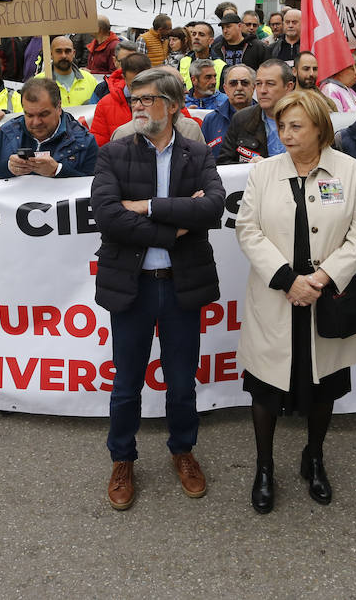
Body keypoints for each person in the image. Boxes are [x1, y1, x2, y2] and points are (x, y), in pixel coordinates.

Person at [90, 67, 227, 510]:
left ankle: (182, 451)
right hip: (132, 287)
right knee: (126, 383)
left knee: (182, 381)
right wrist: (172, 229)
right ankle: (122, 459)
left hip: (181, 286)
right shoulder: (114, 153)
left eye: (147, 100)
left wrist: (148, 207)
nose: (138, 107)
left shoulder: (196, 153)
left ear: (171, 105)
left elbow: (212, 208)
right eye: (135, 100)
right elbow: (109, 216)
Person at [235, 88, 356, 512]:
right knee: (265, 390)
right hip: (276, 299)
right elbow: (248, 230)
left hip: (325, 297)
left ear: (320, 128)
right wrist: (286, 280)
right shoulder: (263, 173)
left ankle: (313, 458)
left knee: (323, 388)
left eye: (296, 126)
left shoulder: (350, 171)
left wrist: (320, 278)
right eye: (282, 126)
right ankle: (264, 467)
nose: (286, 134)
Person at [0, 77, 99, 179]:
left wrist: (57, 170)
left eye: (43, 114)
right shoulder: (8, 131)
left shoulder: (84, 141)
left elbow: (94, 186)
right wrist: (8, 167)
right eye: (29, 115)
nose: (36, 122)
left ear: (59, 107)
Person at [218, 60, 295, 164]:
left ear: (288, 87)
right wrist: (248, 168)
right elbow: (224, 164)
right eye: (258, 84)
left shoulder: (306, 119)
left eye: (270, 84)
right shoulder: (241, 119)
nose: (262, 90)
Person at [90, 52, 152, 146]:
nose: (139, 90)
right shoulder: (105, 104)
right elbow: (99, 144)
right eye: (134, 85)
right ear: (124, 77)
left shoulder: (164, 100)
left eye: (144, 84)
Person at [200, 64, 254, 156]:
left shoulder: (266, 118)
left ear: (254, 87)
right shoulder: (210, 120)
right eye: (233, 83)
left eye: (245, 83)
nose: (239, 87)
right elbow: (203, 158)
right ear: (225, 89)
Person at [43, 35, 97, 107]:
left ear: (74, 53)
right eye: (59, 51)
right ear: (51, 54)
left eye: (67, 51)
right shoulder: (38, 82)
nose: (64, 56)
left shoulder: (90, 80)